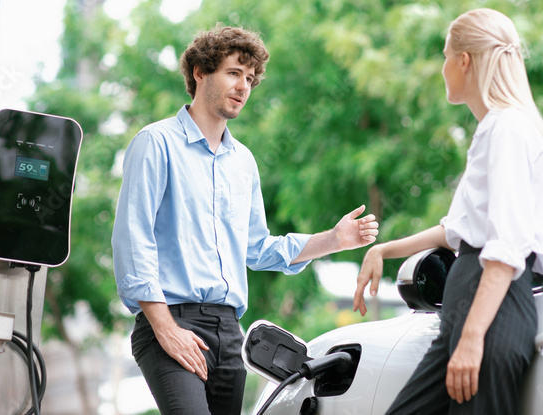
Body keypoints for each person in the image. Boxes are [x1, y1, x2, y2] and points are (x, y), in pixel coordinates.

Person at [111, 25, 379, 415]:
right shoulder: (156, 143)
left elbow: (256, 248)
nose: (244, 86)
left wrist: (333, 240)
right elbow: (133, 242)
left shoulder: (244, 162)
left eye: (250, 78)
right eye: (234, 73)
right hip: (172, 318)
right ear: (200, 72)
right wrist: (165, 328)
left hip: (230, 333)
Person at [353, 8, 543, 414]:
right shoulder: (499, 128)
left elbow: (505, 249)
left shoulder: (506, 128)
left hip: (487, 316)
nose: (442, 67)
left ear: (464, 61)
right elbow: (461, 230)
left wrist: (472, 337)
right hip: (469, 313)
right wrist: (383, 249)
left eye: (445, 55)